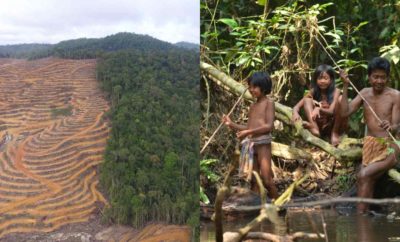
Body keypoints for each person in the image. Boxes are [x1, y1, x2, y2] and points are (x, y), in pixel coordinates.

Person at [339, 57, 400, 214]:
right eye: (375, 77)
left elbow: (396, 126)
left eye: (383, 77)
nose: (379, 81)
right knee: (367, 179)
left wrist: (391, 127)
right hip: (370, 145)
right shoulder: (364, 93)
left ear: (388, 77)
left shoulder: (395, 96)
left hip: (390, 147)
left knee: (363, 175)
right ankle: (366, 218)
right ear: (369, 77)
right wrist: (345, 86)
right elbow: (344, 112)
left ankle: (361, 217)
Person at [222, 72, 278, 199]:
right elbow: (248, 128)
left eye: (254, 87)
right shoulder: (253, 106)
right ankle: (256, 208)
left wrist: (248, 132)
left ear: (263, 87)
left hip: (263, 144)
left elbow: (269, 126)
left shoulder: (269, 103)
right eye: (250, 87)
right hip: (251, 145)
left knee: (267, 179)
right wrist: (231, 124)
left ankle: (280, 206)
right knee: (254, 180)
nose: (251, 90)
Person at [292, 64, 346, 146]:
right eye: (320, 78)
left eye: (325, 78)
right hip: (320, 125)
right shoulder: (313, 91)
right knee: (307, 100)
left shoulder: (336, 91)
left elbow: (331, 111)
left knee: (341, 99)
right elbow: (296, 106)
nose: (322, 81)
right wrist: (295, 113)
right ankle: (314, 128)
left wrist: (318, 109)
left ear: (331, 80)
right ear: (316, 80)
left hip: (332, 125)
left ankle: (334, 134)